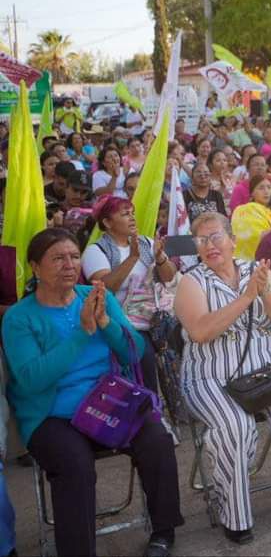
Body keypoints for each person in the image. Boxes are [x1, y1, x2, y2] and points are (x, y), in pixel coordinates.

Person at [4, 229, 183, 557]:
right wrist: (83, 333)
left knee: (156, 436)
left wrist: (105, 323)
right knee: (74, 464)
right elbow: (31, 380)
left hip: (109, 402)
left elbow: (133, 353)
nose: (69, 264)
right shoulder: (19, 317)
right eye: (57, 258)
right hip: (52, 415)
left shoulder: (99, 297)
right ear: (35, 267)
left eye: (73, 256)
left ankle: (163, 531)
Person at [174, 213, 271, 543]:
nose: (209, 245)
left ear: (232, 240)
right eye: (201, 240)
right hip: (210, 375)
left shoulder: (257, 271)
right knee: (234, 427)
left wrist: (264, 287)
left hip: (262, 370)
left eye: (215, 237)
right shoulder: (191, 282)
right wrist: (246, 298)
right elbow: (200, 331)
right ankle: (235, 515)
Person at [82, 195, 177, 393]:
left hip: (155, 316)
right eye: (125, 214)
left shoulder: (146, 243)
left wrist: (160, 259)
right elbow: (105, 289)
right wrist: (133, 258)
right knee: (145, 353)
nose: (132, 218)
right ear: (107, 222)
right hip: (122, 320)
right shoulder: (95, 251)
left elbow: (169, 278)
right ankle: (150, 408)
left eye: (132, 213)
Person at [231, 174, 271, 261]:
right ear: (252, 193)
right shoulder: (246, 209)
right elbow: (255, 237)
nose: (266, 191)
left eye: (269, 187)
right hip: (253, 262)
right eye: (261, 188)